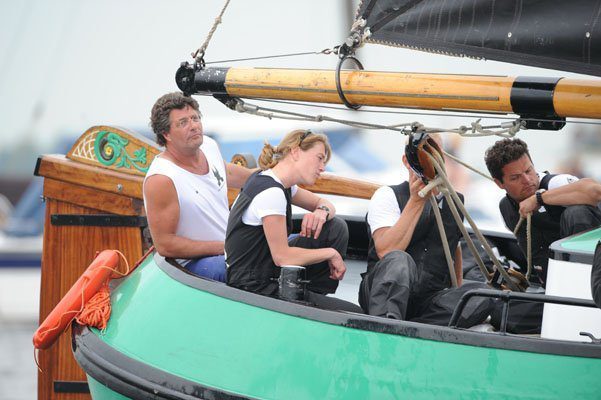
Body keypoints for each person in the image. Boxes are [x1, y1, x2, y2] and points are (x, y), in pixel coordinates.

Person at [359, 137, 494, 327]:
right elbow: (386, 250)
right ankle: (386, 325)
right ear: (407, 162)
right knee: (399, 259)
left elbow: (453, 250)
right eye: (423, 156)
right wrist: (417, 200)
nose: (429, 161)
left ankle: (416, 327)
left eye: (435, 154)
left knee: (482, 295)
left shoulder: (453, 201)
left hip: (428, 299)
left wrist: (457, 290)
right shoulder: (387, 195)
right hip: (382, 292)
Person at [225, 129, 362, 312]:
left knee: (335, 227)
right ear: (295, 152)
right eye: (319, 158)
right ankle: (308, 306)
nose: (322, 168)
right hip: (254, 287)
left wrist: (320, 212)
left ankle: (311, 297)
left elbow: (325, 203)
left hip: (266, 273)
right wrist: (331, 253)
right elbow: (282, 257)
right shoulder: (271, 192)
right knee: (355, 314)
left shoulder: (279, 183)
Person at [143, 92, 253, 281]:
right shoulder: (161, 179)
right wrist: (225, 247)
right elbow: (165, 244)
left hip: (229, 250)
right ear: (166, 134)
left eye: (195, 118)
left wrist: (272, 177)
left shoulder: (209, 146)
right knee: (252, 267)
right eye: (183, 123)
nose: (194, 126)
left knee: (305, 245)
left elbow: (228, 172)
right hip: (193, 266)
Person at [484, 138, 601, 284]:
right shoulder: (506, 208)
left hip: (591, 283)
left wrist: (539, 198)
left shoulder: (556, 184)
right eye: (515, 178)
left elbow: (596, 192)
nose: (527, 180)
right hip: (551, 285)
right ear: (499, 183)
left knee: (576, 213)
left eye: (528, 170)